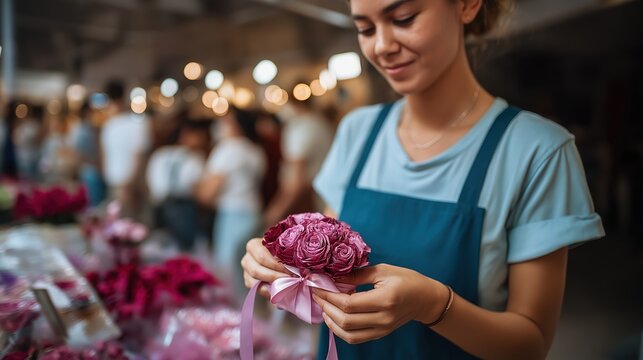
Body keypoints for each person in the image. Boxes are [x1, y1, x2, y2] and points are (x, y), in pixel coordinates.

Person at [241, 0, 605, 359]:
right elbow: (327, 270)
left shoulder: (537, 151)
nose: (382, 46)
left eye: (403, 18)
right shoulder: (358, 131)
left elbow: (531, 344)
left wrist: (434, 305)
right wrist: (277, 266)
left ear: (466, 5)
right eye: (365, 29)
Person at [196, 107, 266, 298]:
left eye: (225, 120)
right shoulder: (255, 150)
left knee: (229, 273)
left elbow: (207, 194)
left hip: (232, 215)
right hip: (252, 212)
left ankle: (237, 321)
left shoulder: (227, 150)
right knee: (249, 271)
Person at [263, 95, 333, 227]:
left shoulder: (301, 128)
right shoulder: (321, 123)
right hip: (321, 200)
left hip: (303, 202)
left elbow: (296, 180)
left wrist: (276, 210)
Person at [147, 119, 209, 252]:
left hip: (159, 206)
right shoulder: (194, 158)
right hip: (184, 209)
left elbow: (152, 183)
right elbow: (197, 189)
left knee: (160, 247)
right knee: (185, 251)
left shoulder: (160, 154)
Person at [100, 80, 151, 220]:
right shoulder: (111, 125)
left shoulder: (136, 123)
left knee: (131, 229)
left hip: (131, 188)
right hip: (117, 185)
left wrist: (128, 185)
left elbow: (139, 157)